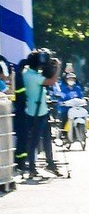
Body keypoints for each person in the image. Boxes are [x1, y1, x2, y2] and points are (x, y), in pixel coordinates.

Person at [19, 49, 60, 178]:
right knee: (36, 141)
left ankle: (48, 163)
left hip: (37, 110)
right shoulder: (33, 76)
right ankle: (32, 168)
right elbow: (51, 81)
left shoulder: (27, 73)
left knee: (45, 139)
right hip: (37, 112)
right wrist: (57, 67)